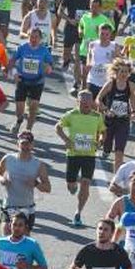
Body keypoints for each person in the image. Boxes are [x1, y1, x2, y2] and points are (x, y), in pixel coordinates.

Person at [56, 90, 106, 227]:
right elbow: (58, 127)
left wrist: (100, 140)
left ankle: (78, 212)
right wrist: (66, 140)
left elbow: (102, 131)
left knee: (85, 183)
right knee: (71, 185)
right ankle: (72, 186)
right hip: (73, 155)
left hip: (89, 156)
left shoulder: (97, 116)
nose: (85, 105)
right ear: (78, 102)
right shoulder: (71, 115)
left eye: (88, 103)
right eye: (82, 103)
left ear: (92, 103)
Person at [0, 130, 52, 235]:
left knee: (23, 242)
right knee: (6, 237)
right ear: (17, 144)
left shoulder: (38, 165)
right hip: (9, 206)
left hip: (27, 209)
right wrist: (1, 179)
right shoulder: (8, 159)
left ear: (32, 145)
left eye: (28, 144)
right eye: (23, 144)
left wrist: (36, 183)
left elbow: (48, 188)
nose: (25, 147)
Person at [11, 27, 54, 133]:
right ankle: (19, 120)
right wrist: (14, 73)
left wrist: (49, 68)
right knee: (19, 108)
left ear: (40, 39)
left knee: (33, 107)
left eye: (36, 37)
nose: (33, 39)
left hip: (37, 81)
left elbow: (50, 63)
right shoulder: (22, 48)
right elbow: (11, 61)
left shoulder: (44, 50)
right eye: (31, 37)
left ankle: (28, 130)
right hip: (22, 80)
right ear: (28, 37)